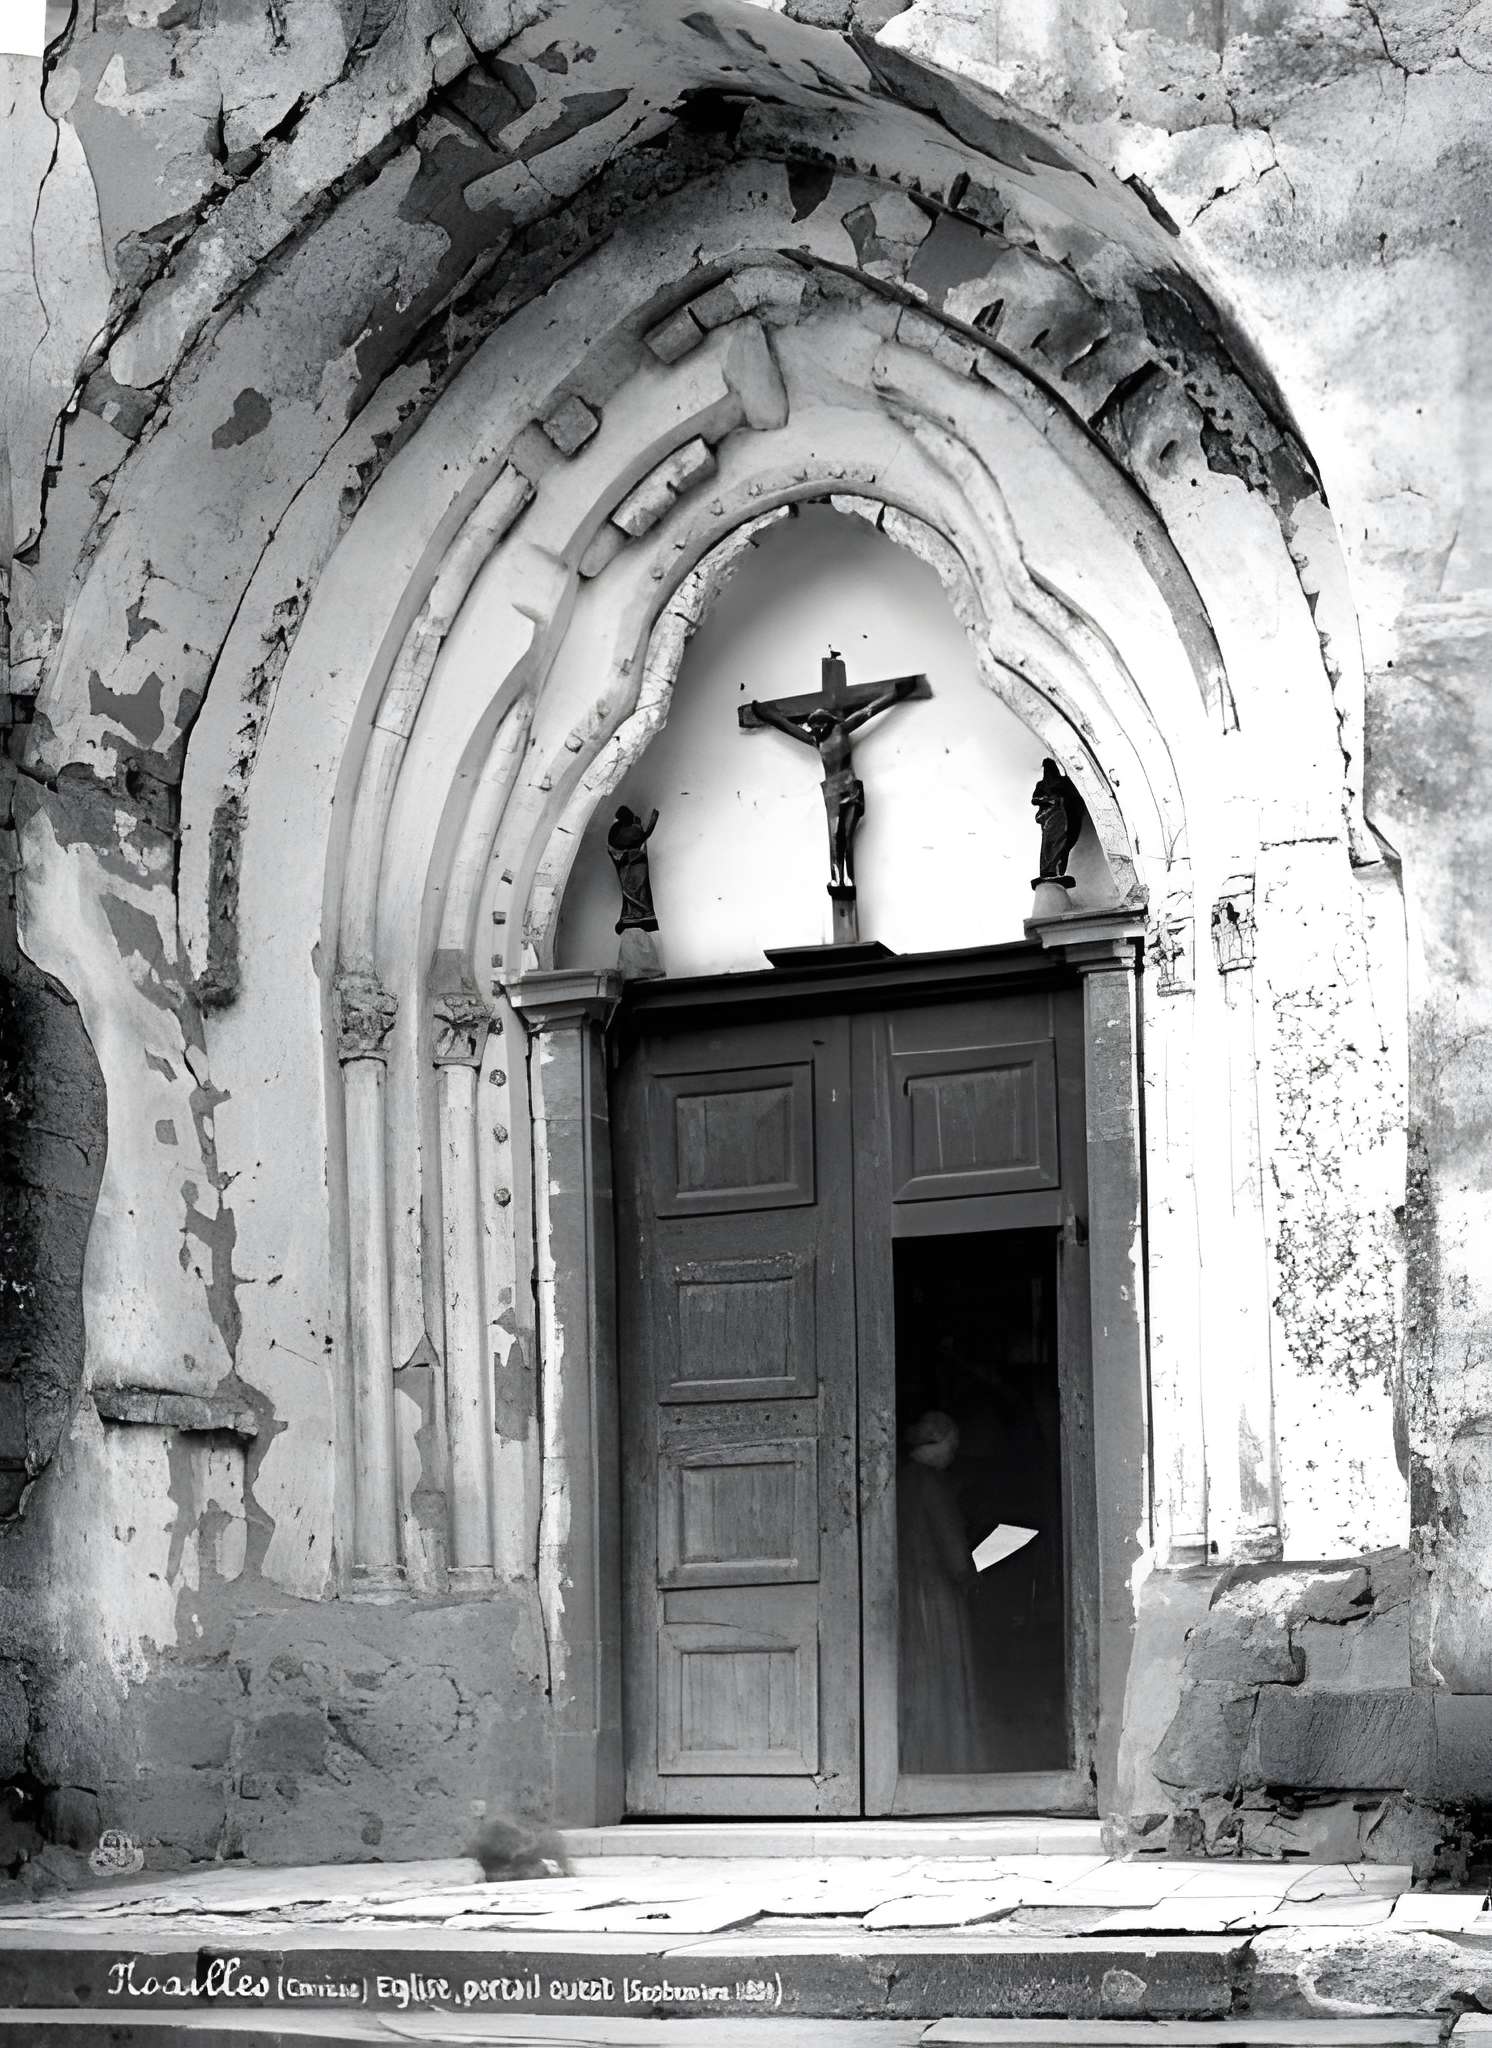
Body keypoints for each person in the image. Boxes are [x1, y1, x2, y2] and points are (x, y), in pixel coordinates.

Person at [897, 1410, 983, 1775]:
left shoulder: (900, 1479)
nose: (956, 1450)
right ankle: (948, 1761)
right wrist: (971, 1576)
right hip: (934, 1595)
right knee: (941, 1674)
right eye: (953, 1443)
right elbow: (954, 1553)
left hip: (905, 1592)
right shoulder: (932, 1483)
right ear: (938, 1441)